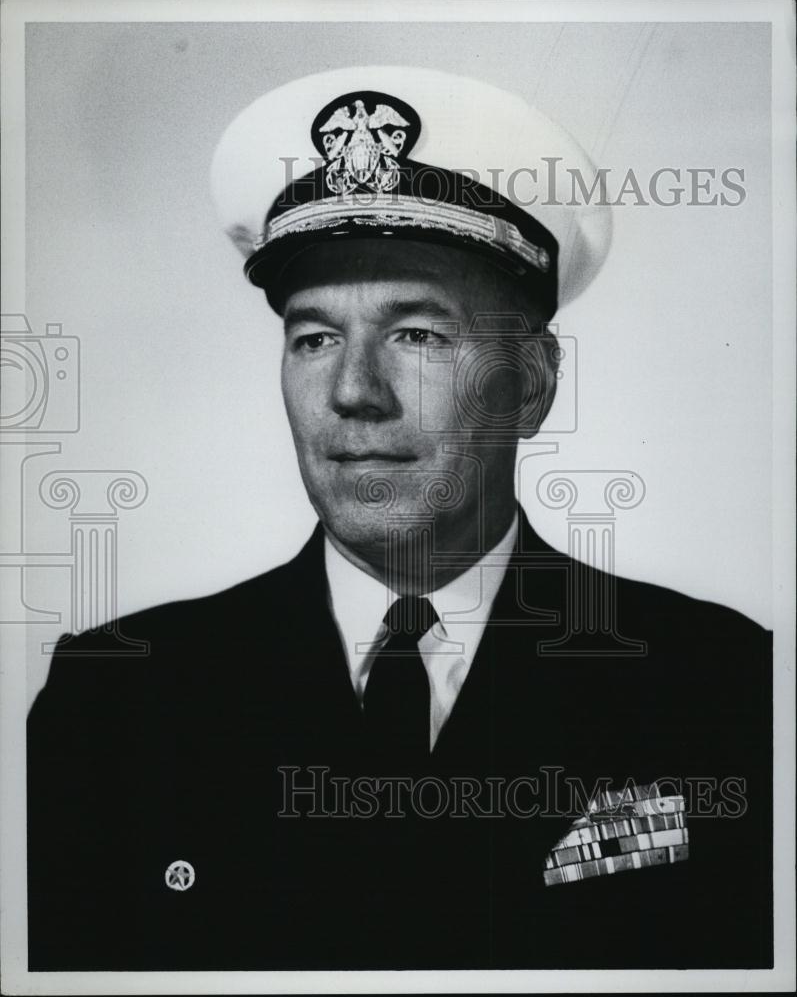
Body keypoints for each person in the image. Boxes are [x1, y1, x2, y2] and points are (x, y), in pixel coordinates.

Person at [27, 66, 772, 971]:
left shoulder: (726, 691)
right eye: (315, 337)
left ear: (529, 385)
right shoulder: (115, 703)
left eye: (417, 334)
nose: (352, 394)